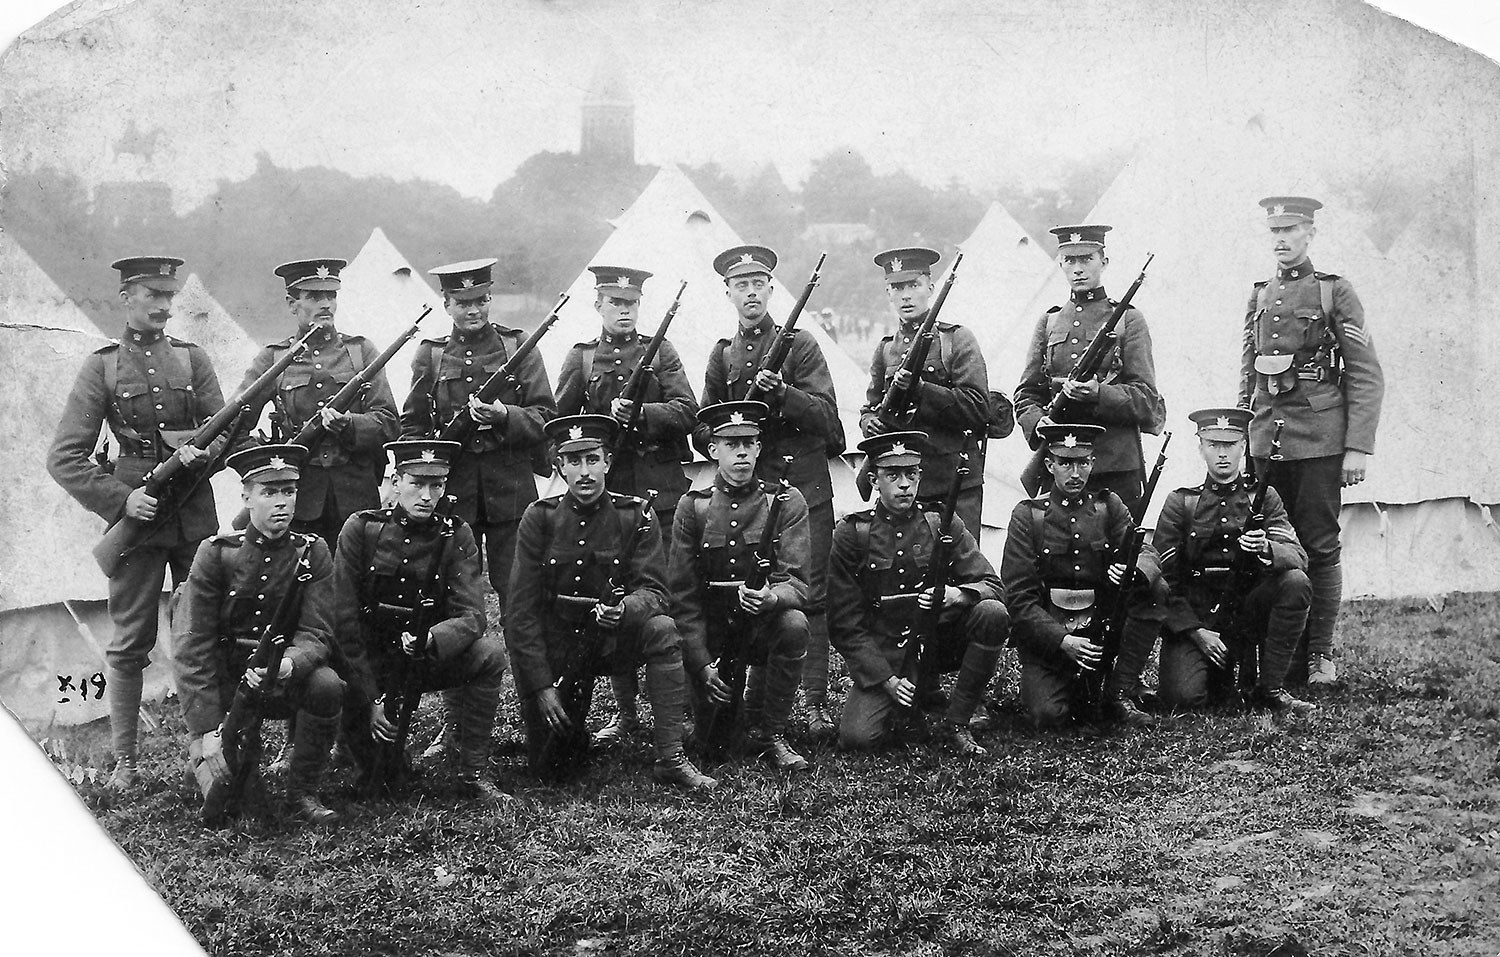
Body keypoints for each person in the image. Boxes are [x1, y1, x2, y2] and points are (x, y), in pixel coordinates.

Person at [47, 255, 227, 790]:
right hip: (139, 517)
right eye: (152, 295)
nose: (164, 307)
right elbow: (65, 456)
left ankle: (210, 751)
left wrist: (205, 453)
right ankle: (126, 761)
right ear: (126, 296)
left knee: (204, 632)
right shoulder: (102, 366)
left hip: (192, 513)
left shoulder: (194, 361)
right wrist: (122, 502)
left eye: (169, 297)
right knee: (130, 642)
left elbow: (228, 429)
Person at [505, 414, 716, 789]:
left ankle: (670, 756)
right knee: (552, 768)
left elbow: (655, 592)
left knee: (662, 629)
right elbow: (519, 612)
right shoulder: (539, 519)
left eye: (592, 459)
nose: (584, 472)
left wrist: (624, 609)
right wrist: (541, 686)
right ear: (560, 467)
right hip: (560, 649)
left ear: (607, 462)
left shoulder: (634, 515)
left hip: (616, 641)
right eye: (574, 461)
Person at [697, 244, 843, 740]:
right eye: (741, 285)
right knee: (752, 591)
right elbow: (701, 429)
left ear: (770, 288)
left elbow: (830, 422)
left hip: (801, 489)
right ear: (729, 293)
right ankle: (750, 702)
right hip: (748, 494)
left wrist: (783, 394)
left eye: (758, 283)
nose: (750, 292)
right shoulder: (723, 354)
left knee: (811, 595)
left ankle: (815, 704)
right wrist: (733, 425)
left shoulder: (800, 345)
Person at [1239, 197, 1384, 687]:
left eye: (1291, 229)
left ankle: (1319, 655)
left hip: (1320, 438)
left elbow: (1365, 373)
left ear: (1311, 232)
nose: (1281, 239)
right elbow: (1247, 374)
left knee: (1319, 546)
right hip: (1266, 438)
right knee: (1268, 544)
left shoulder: (1333, 292)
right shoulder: (1259, 295)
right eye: (1274, 230)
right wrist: (1242, 433)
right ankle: (1274, 652)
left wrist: (1358, 445)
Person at [554, 265, 697, 750]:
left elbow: (687, 413)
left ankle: (674, 709)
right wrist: (601, 424)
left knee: (667, 592)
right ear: (597, 306)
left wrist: (642, 413)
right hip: (608, 492)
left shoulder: (663, 352)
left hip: (659, 487)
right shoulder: (581, 358)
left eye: (630, 304)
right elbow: (562, 424)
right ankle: (625, 711)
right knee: (611, 588)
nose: (623, 310)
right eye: (614, 303)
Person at [173, 444, 345, 826]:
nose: (281, 503)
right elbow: (191, 646)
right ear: (247, 497)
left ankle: (303, 791)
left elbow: (317, 631)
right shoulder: (216, 554)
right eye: (269, 493)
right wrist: (206, 730)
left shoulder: (312, 552)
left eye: (289, 491)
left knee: (327, 685)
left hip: (281, 678)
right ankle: (202, 757)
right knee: (240, 809)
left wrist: (289, 664)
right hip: (228, 686)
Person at [331, 439, 509, 804]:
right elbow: (343, 620)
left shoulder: (456, 533)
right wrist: (372, 696)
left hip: (424, 657)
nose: (427, 496)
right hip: (370, 665)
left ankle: (473, 770)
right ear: (396, 482)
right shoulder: (362, 529)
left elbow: (473, 615)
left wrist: (432, 637)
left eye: (437, 485)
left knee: (488, 655)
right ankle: (347, 742)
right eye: (416, 484)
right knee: (380, 780)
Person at [830, 431, 1008, 754]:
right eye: (893, 475)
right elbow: (844, 624)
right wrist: (887, 681)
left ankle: (959, 722)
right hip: (886, 652)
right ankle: (913, 697)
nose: (904, 485)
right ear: (873, 479)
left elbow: (992, 584)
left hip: (938, 639)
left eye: (911, 474)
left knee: (992, 613)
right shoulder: (852, 533)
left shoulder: (941, 522)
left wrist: (959, 595)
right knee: (858, 737)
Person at [1134, 409, 1315, 713]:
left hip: (1249, 610)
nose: (1222, 455)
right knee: (1183, 699)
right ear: (1201, 447)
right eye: (1213, 445)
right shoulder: (1181, 503)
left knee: (1296, 582)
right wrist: (1195, 632)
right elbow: (1165, 579)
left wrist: (1267, 548)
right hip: (1198, 616)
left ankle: (1271, 689)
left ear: (1243, 447)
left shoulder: (1265, 497)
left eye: (1230, 446)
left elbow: (1298, 555)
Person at [401, 257, 557, 601]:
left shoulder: (517, 346)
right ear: (447, 304)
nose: (473, 310)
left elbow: (546, 417)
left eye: (480, 301)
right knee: (450, 591)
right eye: (463, 303)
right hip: (454, 493)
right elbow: (412, 424)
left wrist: (505, 416)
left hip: (511, 492)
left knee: (521, 591)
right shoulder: (431, 354)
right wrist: (428, 465)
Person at [673, 401, 812, 772]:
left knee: (795, 623)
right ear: (713, 450)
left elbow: (798, 582)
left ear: (759, 448)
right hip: (715, 633)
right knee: (717, 746)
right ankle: (714, 709)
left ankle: (773, 733)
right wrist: (702, 665)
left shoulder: (784, 501)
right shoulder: (693, 507)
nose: (741, 453)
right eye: (731, 444)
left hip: (765, 622)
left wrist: (771, 597)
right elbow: (683, 597)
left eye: (749, 443)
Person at [1001, 422, 1162, 728]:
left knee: (1155, 589)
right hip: (1050, 640)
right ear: (1049, 464)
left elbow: (1148, 553)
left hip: (1100, 630)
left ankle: (1119, 690)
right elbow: (1018, 597)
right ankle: (1068, 683)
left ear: (1093, 463)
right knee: (1048, 715)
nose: (1075, 473)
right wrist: (1061, 640)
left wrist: (1133, 570)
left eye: (1082, 463)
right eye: (1065, 463)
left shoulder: (1109, 507)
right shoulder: (1028, 516)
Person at [235, 257, 399, 547]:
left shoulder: (360, 352)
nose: (326, 304)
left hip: (356, 496)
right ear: (292, 303)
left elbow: (388, 423)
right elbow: (233, 428)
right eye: (314, 296)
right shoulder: (274, 359)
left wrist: (349, 425)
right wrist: (269, 465)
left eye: (331, 295)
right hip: (298, 497)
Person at [1014, 225, 1165, 514]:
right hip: (1060, 463)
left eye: (1086, 259)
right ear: (1060, 264)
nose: (1078, 269)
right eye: (1070, 261)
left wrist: (1100, 395)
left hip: (1114, 466)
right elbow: (1026, 393)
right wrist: (1037, 422)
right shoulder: (1049, 322)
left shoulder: (1127, 320)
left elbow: (1147, 399)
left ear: (1103, 262)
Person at [859, 246, 991, 541]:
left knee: (962, 572)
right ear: (888, 293)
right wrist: (870, 424)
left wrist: (922, 391)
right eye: (897, 287)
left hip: (954, 482)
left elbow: (979, 408)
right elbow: (869, 407)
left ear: (930, 288)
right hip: (903, 487)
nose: (905, 295)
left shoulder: (956, 339)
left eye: (913, 285)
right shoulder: (884, 349)